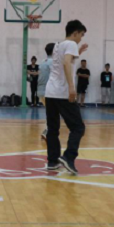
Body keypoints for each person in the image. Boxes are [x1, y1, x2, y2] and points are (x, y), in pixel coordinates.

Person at [45, 20, 88, 175]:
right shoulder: (71, 44)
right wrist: (71, 86)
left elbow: (62, 62)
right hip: (62, 93)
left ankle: (52, 161)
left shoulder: (58, 45)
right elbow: (66, 63)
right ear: (75, 33)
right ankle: (68, 157)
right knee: (78, 127)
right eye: (81, 35)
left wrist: (79, 52)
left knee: (53, 129)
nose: (81, 39)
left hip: (50, 92)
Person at [38, 43, 54, 141]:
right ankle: (48, 132)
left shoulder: (43, 61)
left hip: (41, 90)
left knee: (51, 112)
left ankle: (47, 131)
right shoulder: (53, 62)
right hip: (48, 91)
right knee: (53, 113)